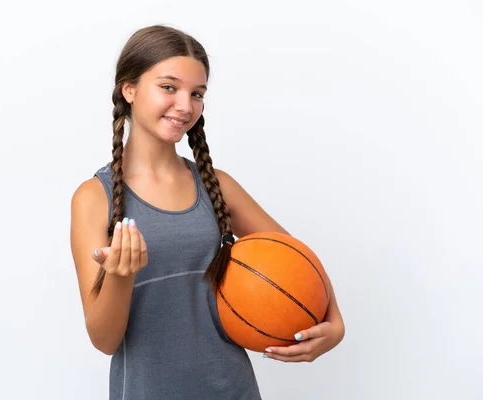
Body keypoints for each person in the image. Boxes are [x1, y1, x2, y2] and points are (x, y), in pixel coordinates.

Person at [70, 24, 345, 400]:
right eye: (169, 87)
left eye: (196, 93)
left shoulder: (217, 185)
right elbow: (103, 340)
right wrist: (121, 276)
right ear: (129, 89)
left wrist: (335, 323)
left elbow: (296, 258)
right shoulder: (93, 198)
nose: (185, 106)